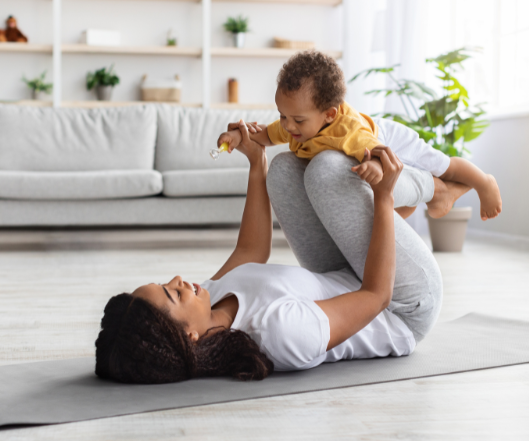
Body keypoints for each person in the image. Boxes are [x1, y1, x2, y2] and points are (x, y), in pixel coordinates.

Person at [95, 120, 444, 384]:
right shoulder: (279, 333)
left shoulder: (210, 301)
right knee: (326, 172)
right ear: (189, 336)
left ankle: (409, 205)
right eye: (172, 293)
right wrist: (383, 197)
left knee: (283, 170)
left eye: (166, 282)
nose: (178, 280)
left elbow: (251, 249)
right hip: (403, 306)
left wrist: (256, 161)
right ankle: (439, 188)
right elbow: (377, 296)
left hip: (347, 273)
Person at [217, 50, 502, 221]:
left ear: (329, 114)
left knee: (440, 164)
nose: (288, 126)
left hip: (387, 136)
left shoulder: (347, 132)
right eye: (283, 115)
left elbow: (377, 150)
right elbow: (267, 136)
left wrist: (374, 164)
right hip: (368, 142)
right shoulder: (294, 126)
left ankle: (482, 182)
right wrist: (241, 137)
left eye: (297, 120)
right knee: (382, 216)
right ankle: (434, 197)